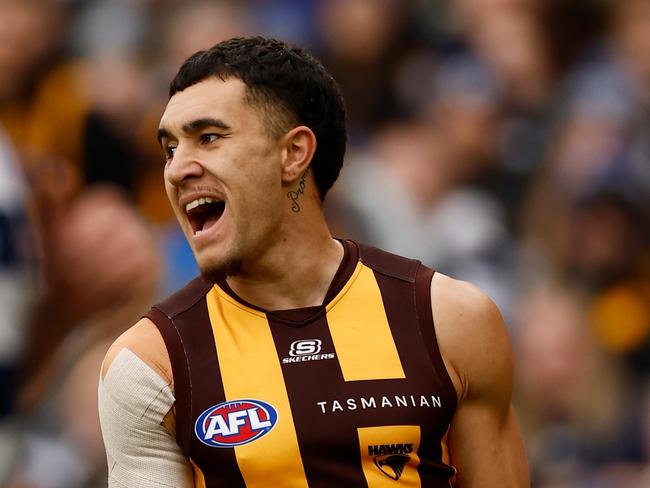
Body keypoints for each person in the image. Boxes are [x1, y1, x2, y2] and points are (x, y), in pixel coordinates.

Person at [98, 36, 529, 487]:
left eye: (208, 138)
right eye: (170, 148)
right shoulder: (150, 364)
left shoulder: (451, 321)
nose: (176, 169)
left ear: (294, 153)